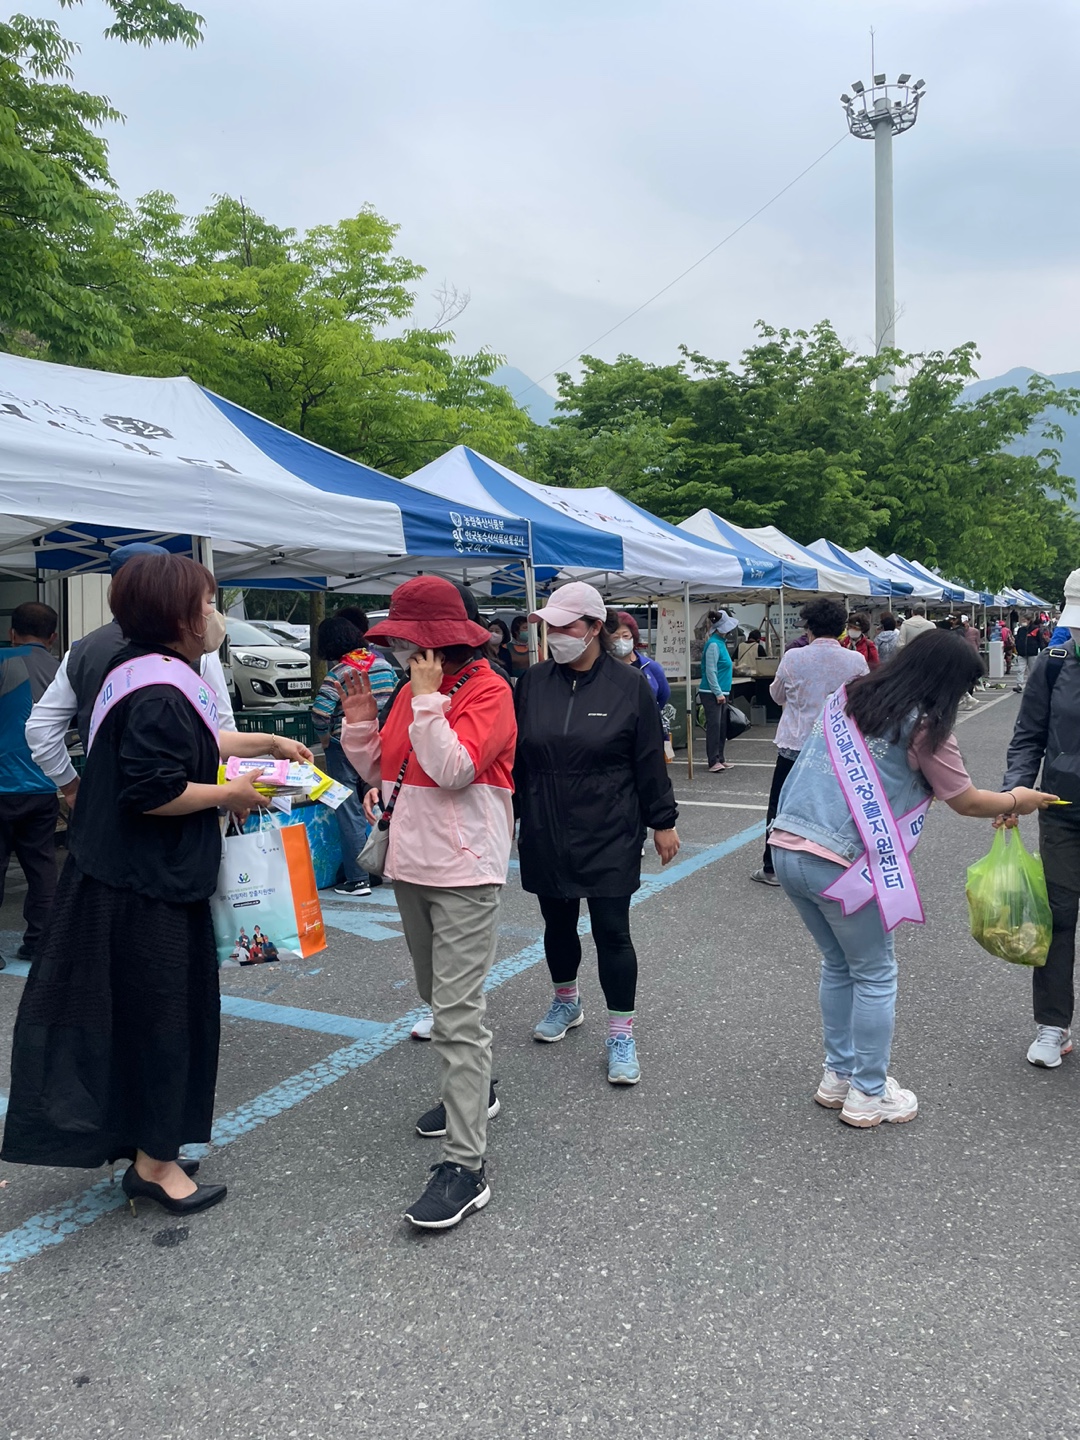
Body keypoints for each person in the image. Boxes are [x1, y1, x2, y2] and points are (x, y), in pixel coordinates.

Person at [1, 554, 313, 1215]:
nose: (216, 615)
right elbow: (155, 789)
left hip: (131, 877)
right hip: (146, 891)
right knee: (164, 1022)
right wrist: (231, 792)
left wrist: (267, 744)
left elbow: (198, 737)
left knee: (146, 1019)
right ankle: (155, 1164)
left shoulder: (151, 670)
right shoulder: (160, 687)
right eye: (207, 602)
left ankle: (151, 1147)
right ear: (177, 614)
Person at [770, 629, 1055, 1127]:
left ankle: (837, 1076)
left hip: (788, 844)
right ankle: (868, 1093)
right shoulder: (926, 727)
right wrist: (1018, 800)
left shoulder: (849, 698)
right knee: (875, 972)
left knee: (839, 965)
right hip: (840, 863)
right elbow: (965, 799)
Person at [339, 575, 517, 1230]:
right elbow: (383, 769)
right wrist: (361, 720)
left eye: (408, 641)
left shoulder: (489, 690)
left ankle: (466, 1165)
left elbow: (452, 769)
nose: (398, 651)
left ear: (437, 642)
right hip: (411, 865)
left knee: (456, 1011)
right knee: (434, 994)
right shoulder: (419, 697)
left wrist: (424, 702)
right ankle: (478, 1089)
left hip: (467, 870)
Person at [513, 581, 680, 1087]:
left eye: (567, 626)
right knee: (556, 923)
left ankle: (621, 1031)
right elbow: (516, 758)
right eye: (552, 625)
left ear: (594, 629)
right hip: (545, 823)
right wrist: (509, 815)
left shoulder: (629, 685)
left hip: (609, 826)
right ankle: (567, 1002)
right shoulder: (533, 682)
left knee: (612, 931)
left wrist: (663, 821)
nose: (556, 634)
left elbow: (649, 758)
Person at [25, 542, 235, 812]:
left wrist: (71, 786)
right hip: (184, 809)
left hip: (105, 807)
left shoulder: (82, 652)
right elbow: (220, 726)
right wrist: (229, 793)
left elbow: (40, 730)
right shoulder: (194, 647)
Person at [1002, 570, 1080, 1068]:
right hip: (1062, 811)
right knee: (1059, 915)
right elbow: (1028, 735)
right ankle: (1053, 1025)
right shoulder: (1053, 664)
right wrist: (1015, 793)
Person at [750, 599, 868, 888]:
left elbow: (777, 695)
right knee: (835, 805)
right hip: (838, 745)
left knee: (782, 803)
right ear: (842, 630)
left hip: (796, 742)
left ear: (809, 628)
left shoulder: (794, 658)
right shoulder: (855, 661)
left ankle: (771, 866)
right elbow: (865, 702)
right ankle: (833, 863)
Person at [311, 613, 396, 897]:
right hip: (380, 743)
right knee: (379, 806)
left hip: (344, 745)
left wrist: (324, 738)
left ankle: (358, 877)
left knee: (347, 809)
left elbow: (321, 713)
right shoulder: (384, 665)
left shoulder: (339, 672)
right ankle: (382, 867)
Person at [0, 603, 61, 968]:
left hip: (3, 783)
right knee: (41, 866)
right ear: (52, 637)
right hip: (44, 785)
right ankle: (40, 942)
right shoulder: (63, 671)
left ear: (11, 632)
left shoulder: (4, 661)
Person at [611, 610, 671, 734]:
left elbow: (663, 694)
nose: (621, 641)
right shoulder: (604, 668)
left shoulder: (651, 667)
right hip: (615, 730)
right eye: (615, 637)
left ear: (633, 637)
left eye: (625, 636)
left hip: (647, 729)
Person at [699, 609, 738, 772]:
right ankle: (713, 760)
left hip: (721, 691)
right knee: (715, 727)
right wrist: (718, 693)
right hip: (712, 692)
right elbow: (711, 671)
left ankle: (720, 757)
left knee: (722, 727)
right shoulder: (714, 644)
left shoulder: (718, 642)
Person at [1013, 614, 1048, 693]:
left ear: (1029, 621)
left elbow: (1040, 641)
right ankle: (1019, 685)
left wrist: (1042, 650)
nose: (1022, 622)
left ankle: (1032, 685)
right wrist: (1018, 648)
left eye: (1024, 620)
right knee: (1020, 669)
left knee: (1032, 670)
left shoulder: (1036, 629)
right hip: (1021, 653)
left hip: (1032, 653)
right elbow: (1017, 640)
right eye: (1022, 621)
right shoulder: (1020, 630)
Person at [508, 615, 532, 681]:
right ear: (516, 631)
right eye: (525, 628)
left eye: (529, 628)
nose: (528, 630)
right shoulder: (507, 648)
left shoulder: (535, 647)